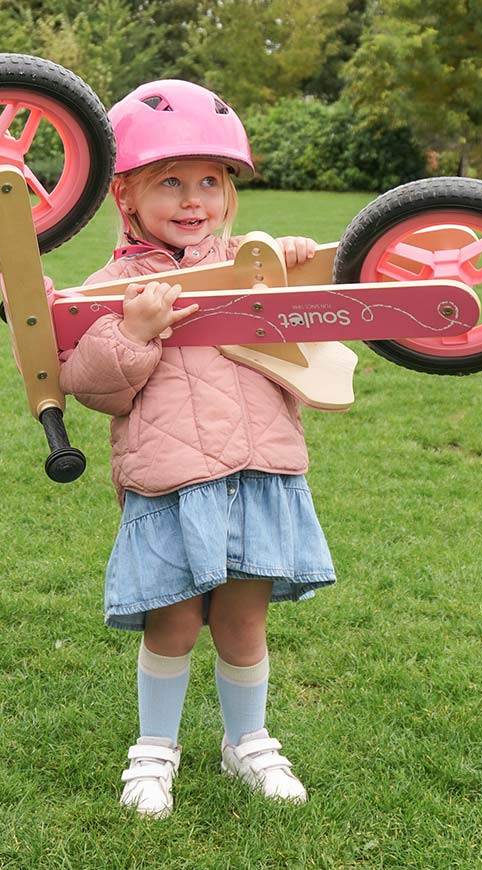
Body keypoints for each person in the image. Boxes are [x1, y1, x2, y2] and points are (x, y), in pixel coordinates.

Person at [56, 80, 336, 818]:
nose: (192, 200)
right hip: (171, 481)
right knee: (173, 620)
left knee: (244, 620)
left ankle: (248, 742)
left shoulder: (253, 260)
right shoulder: (112, 285)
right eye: (170, 183)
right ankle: (154, 752)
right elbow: (91, 385)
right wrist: (135, 332)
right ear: (126, 197)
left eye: (209, 182)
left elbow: (310, 340)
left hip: (260, 469)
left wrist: (297, 265)